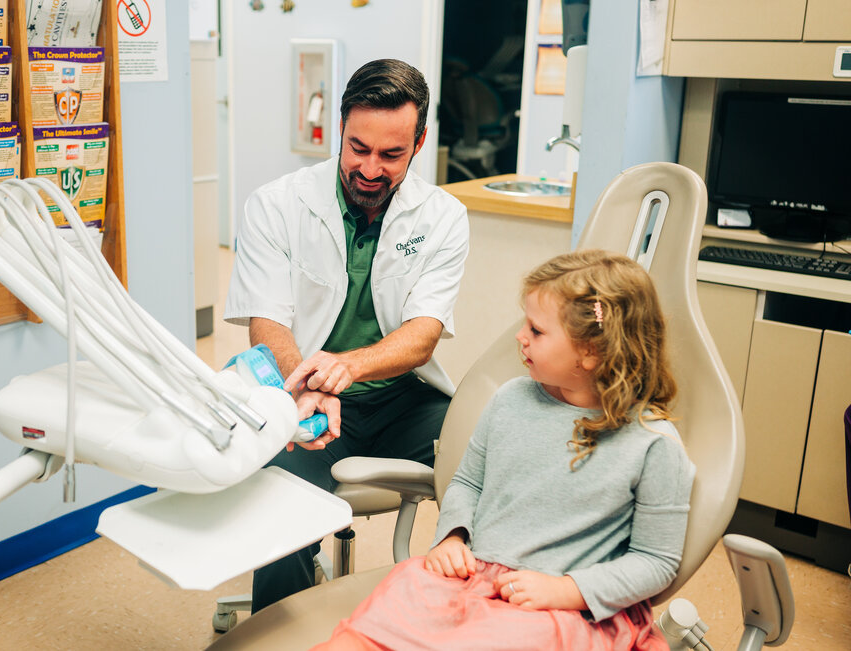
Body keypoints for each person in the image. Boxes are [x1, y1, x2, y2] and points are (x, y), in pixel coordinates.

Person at [314, 250, 695, 650]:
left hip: (560, 607)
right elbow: (467, 482)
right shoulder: (511, 400)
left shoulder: (653, 444)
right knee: (389, 605)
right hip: (474, 579)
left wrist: (564, 590)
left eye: (536, 329)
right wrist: (453, 538)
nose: (520, 336)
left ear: (591, 352)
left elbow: (656, 562)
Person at [224, 58, 470, 612]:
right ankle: (276, 636)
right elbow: (268, 322)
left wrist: (346, 367)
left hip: (405, 401)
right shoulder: (276, 205)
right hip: (308, 399)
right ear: (341, 127)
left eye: (391, 155)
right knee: (279, 507)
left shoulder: (444, 216)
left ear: (420, 141)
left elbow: (423, 335)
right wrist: (307, 387)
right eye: (358, 148)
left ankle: (478, 617)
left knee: (497, 451)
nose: (370, 169)